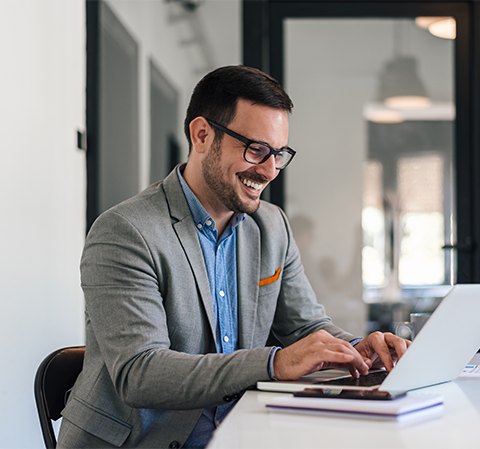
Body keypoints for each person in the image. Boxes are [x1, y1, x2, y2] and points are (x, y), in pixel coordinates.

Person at [57, 65, 409, 449]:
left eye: (279, 154)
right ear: (202, 135)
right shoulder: (125, 231)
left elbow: (306, 327)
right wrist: (274, 363)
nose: (270, 170)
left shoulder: (272, 227)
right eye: (256, 150)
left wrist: (357, 350)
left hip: (243, 434)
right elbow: (140, 374)